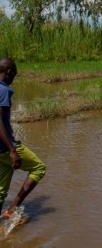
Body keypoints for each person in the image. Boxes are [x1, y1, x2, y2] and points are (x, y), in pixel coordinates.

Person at [0, 58, 46, 222]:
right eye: (15, 74)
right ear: (9, 72)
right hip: (5, 148)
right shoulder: (4, 90)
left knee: (1, 191)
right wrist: (12, 150)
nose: (14, 77)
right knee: (39, 168)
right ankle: (12, 210)